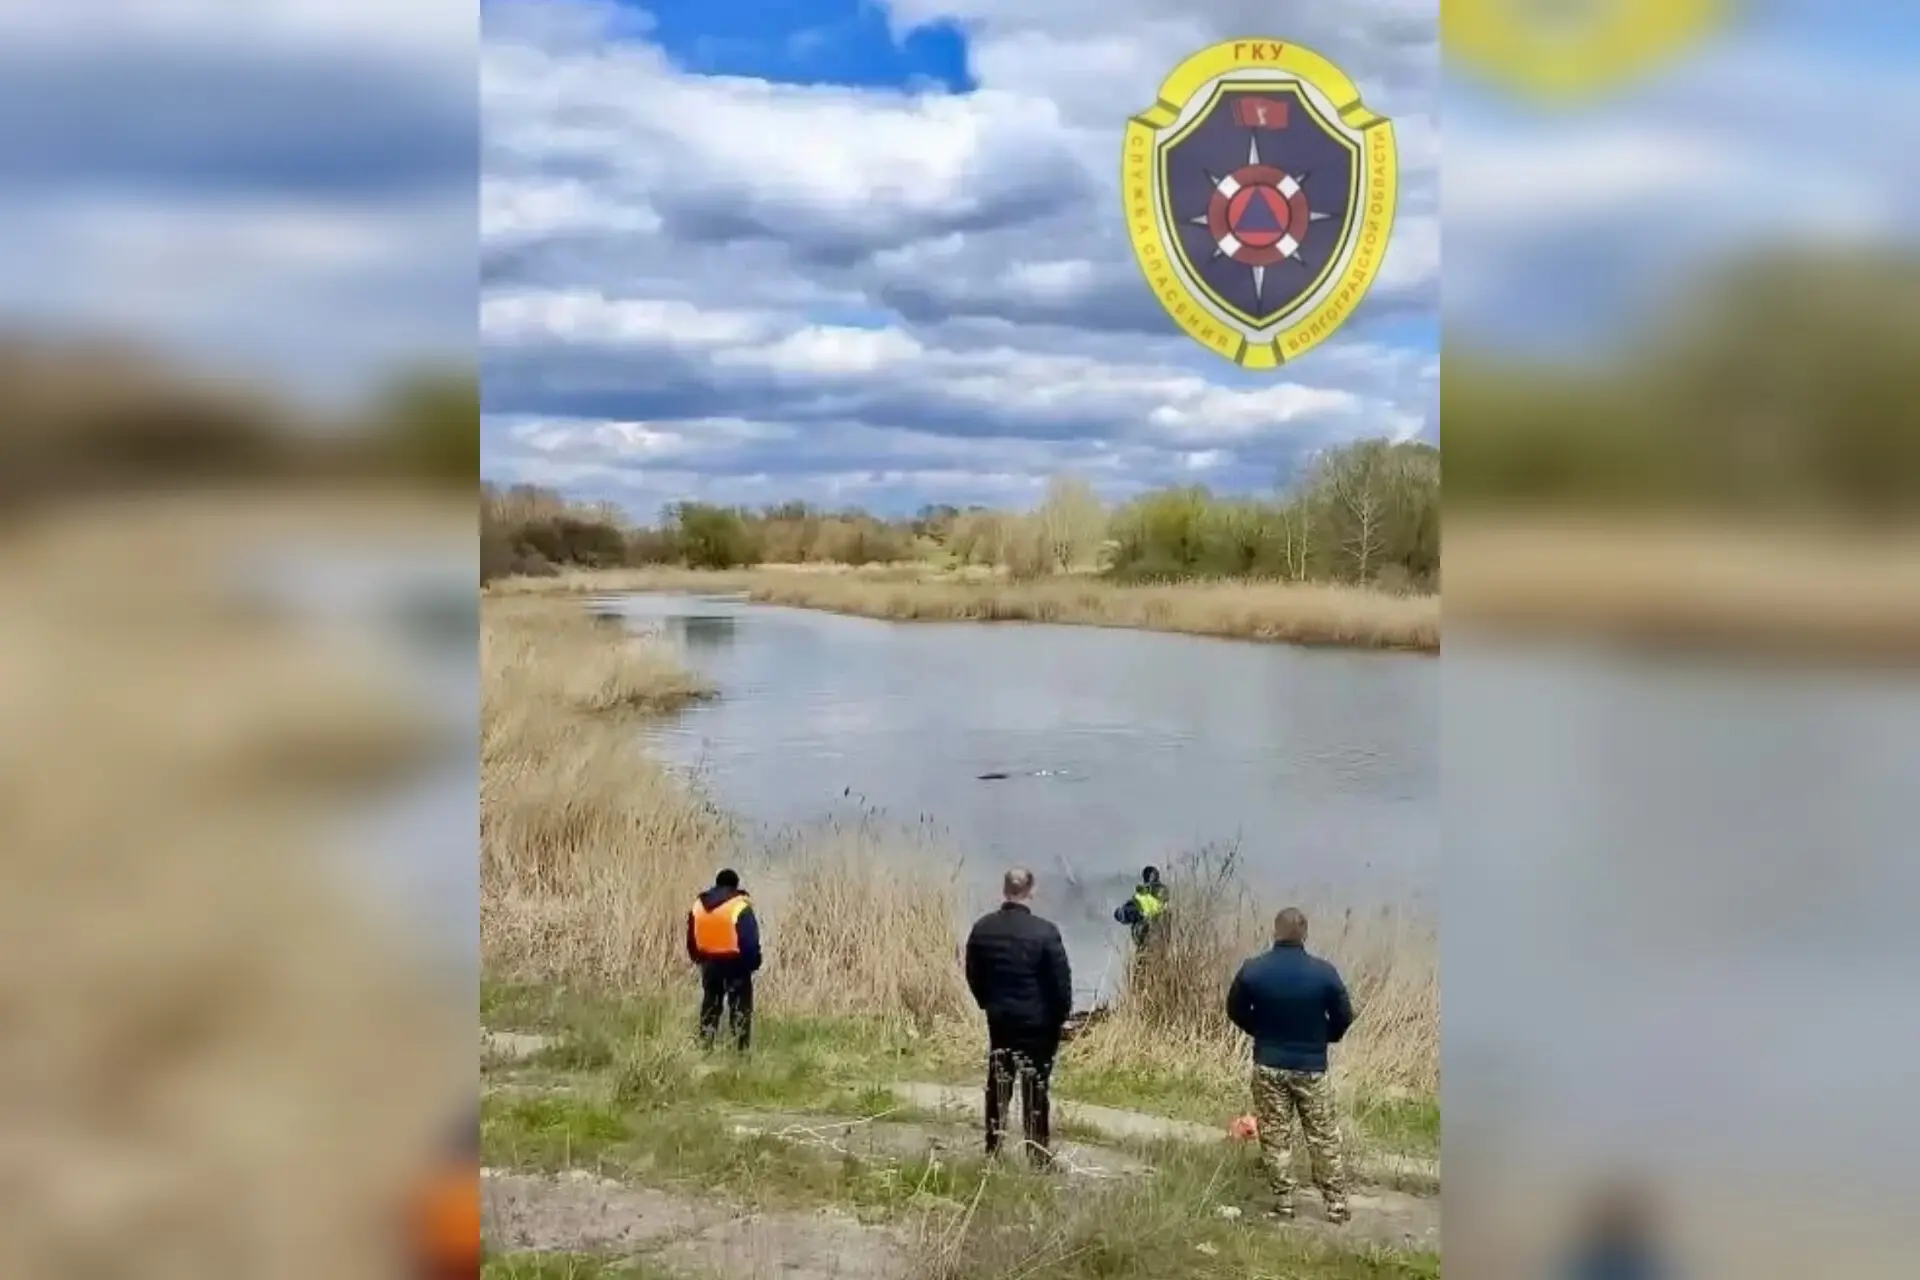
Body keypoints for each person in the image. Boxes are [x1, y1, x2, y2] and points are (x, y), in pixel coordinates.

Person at [1226, 906, 1354, 1223]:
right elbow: (1344, 1016)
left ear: (1275, 932)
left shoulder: (1253, 970)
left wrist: (1259, 1030)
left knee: (1275, 1136)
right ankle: (1336, 1205)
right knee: (1323, 1136)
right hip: (1311, 1067)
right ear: (1305, 934)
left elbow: (1234, 1009)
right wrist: (1325, 1036)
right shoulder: (1324, 973)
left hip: (1268, 1063)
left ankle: (1285, 1203)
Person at [963, 867, 1073, 1167]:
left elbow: (972, 972)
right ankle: (1037, 1155)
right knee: (1035, 1087)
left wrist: (986, 1002)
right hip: (1038, 1023)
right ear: (1030, 891)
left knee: (998, 1083)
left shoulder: (983, 928)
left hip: (1000, 1018)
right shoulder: (1045, 931)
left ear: (1004, 890)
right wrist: (1062, 1016)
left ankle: (993, 1149)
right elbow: (1060, 981)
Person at [686, 868, 761, 1051]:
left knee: (710, 1005)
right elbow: (749, 940)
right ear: (735, 885)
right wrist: (753, 963)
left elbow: (691, 938)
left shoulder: (699, 905)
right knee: (740, 1009)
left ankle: (705, 1044)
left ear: (717, 884)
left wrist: (699, 958)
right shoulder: (739, 905)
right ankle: (740, 1051)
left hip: (709, 962)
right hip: (736, 964)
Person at [1113, 864, 1168, 950]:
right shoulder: (1147, 894)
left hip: (1150, 940)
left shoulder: (1142, 895)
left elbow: (1127, 913)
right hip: (1156, 941)